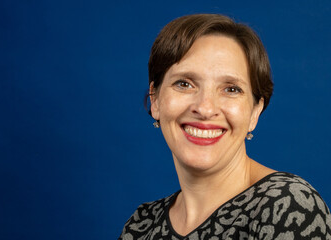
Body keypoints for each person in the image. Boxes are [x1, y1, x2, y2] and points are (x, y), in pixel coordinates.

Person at [119, 14, 331, 239]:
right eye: (184, 84)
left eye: (231, 89)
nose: (205, 108)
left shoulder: (288, 205)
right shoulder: (142, 225)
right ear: (155, 100)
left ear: (254, 112)